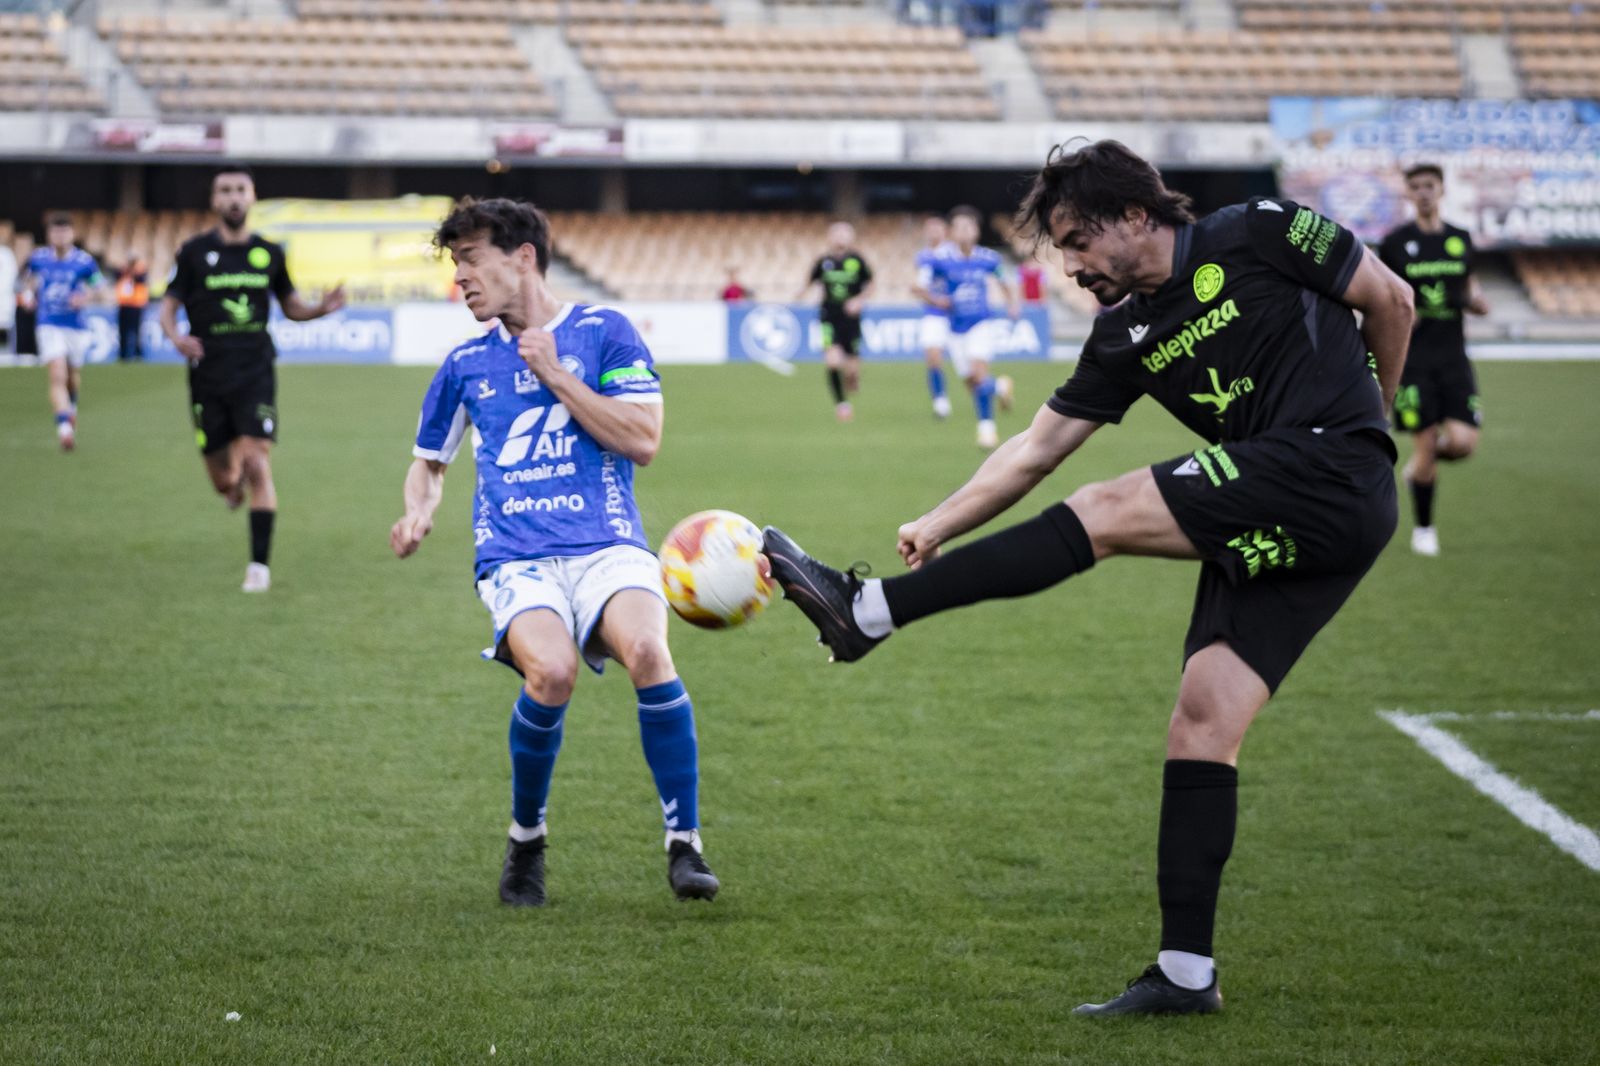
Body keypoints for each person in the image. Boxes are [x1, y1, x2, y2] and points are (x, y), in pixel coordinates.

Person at [761, 139, 1415, 1016]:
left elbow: (1391, 299)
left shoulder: (1257, 230)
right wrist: (937, 523)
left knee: (1106, 509)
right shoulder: (1123, 336)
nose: (1068, 267)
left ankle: (867, 611)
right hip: (1287, 504)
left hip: (1330, 467)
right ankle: (1187, 974)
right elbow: (1034, 449)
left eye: (1076, 241)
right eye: (1060, 249)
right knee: (1203, 716)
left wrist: (1373, 427)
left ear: (1136, 217)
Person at [389, 197, 718, 909]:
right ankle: (527, 840)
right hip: (515, 556)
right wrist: (419, 510)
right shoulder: (465, 363)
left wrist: (557, 375)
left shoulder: (604, 333)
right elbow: (430, 460)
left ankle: (684, 845)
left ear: (524, 256)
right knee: (553, 672)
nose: (462, 281)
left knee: (651, 653)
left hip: (607, 542)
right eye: (456, 267)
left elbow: (643, 440)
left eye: (471, 260)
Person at [160, 164, 345, 593]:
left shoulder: (269, 253)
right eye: (225, 190)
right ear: (214, 200)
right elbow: (168, 306)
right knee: (224, 478)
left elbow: (291, 306)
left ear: (252, 197)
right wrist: (175, 337)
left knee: (258, 463)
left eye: (240, 190)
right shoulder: (193, 253)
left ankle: (258, 567)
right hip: (207, 375)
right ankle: (231, 485)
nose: (233, 198)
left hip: (255, 370)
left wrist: (321, 308)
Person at [1377, 163, 1489, 557]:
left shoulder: (1460, 239)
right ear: (1407, 194)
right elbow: (1383, 297)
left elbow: (1470, 286)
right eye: (1416, 187)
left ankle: (1416, 472)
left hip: (1455, 357)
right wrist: (1402, 315)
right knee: (1426, 445)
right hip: (1413, 359)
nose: (1423, 192)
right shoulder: (1394, 242)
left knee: (1462, 444)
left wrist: (1476, 302)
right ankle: (1425, 530)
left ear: (1442, 190)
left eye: (1430, 185)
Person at [923, 206, 1019, 449]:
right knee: (971, 383)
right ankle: (999, 386)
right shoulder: (941, 261)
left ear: (977, 231)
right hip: (955, 329)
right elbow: (920, 286)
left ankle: (987, 430)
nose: (965, 232)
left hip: (981, 324)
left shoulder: (988, 258)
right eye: (959, 227)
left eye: (969, 226)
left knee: (978, 374)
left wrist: (1012, 304)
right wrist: (936, 300)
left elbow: (1005, 280)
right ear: (952, 232)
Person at [23, 215, 107, 452]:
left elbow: (101, 290)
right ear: (49, 234)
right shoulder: (38, 259)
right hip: (48, 324)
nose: (59, 236)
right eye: (55, 232)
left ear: (71, 234)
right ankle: (65, 429)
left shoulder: (84, 262)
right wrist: (29, 296)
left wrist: (85, 297)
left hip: (76, 327)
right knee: (57, 374)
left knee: (72, 377)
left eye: (64, 232)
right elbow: (29, 282)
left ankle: (71, 408)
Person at [797, 221, 873, 421]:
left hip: (851, 319)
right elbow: (808, 282)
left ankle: (852, 380)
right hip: (828, 316)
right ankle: (842, 405)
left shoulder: (858, 261)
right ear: (829, 238)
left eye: (844, 234)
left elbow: (870, 285)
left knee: (852, 371)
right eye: (836, 234)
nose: (840, 237)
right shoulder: (823, 262)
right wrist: (798, 296)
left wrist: (858, 300)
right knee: (832, 362)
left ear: (851, 238)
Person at [912, 215, 956, 419]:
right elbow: (919, 286)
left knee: (968, 369)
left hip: (958, 315)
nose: (933, 232)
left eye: (936, 228)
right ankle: (940, 401)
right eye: (929, 229)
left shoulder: (953, 254)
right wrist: (931, 297)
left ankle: (998, 387)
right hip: (934, 314)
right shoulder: (923, 257)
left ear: (945, 231)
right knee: (933, 357)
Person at [115, 253, 150, 361]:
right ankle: (123, 354)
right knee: (122, 331)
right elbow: (116, 274)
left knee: (136, 331)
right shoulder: (123, 271)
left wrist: (132, 271)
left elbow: (141, 279)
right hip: (124, 305)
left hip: (136, 305)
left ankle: (137, 353)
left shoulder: (140, 271)